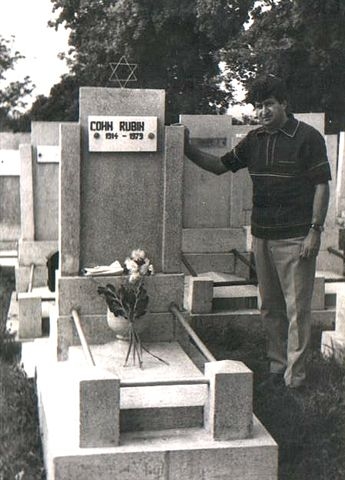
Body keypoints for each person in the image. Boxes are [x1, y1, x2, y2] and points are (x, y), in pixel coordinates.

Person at [183, 75, 331, 390]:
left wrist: (315, 231)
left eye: (268, 105)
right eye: (257, 106)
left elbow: (321, 185)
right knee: (270, 307)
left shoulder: (307, 138)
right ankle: (278, 368)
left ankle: (297, 378)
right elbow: (219, 166)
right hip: (262, 236)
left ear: (284, 104)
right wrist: (185, 147)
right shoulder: (254, 140)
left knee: (296, 309)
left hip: (296, 238)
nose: (262, 112)